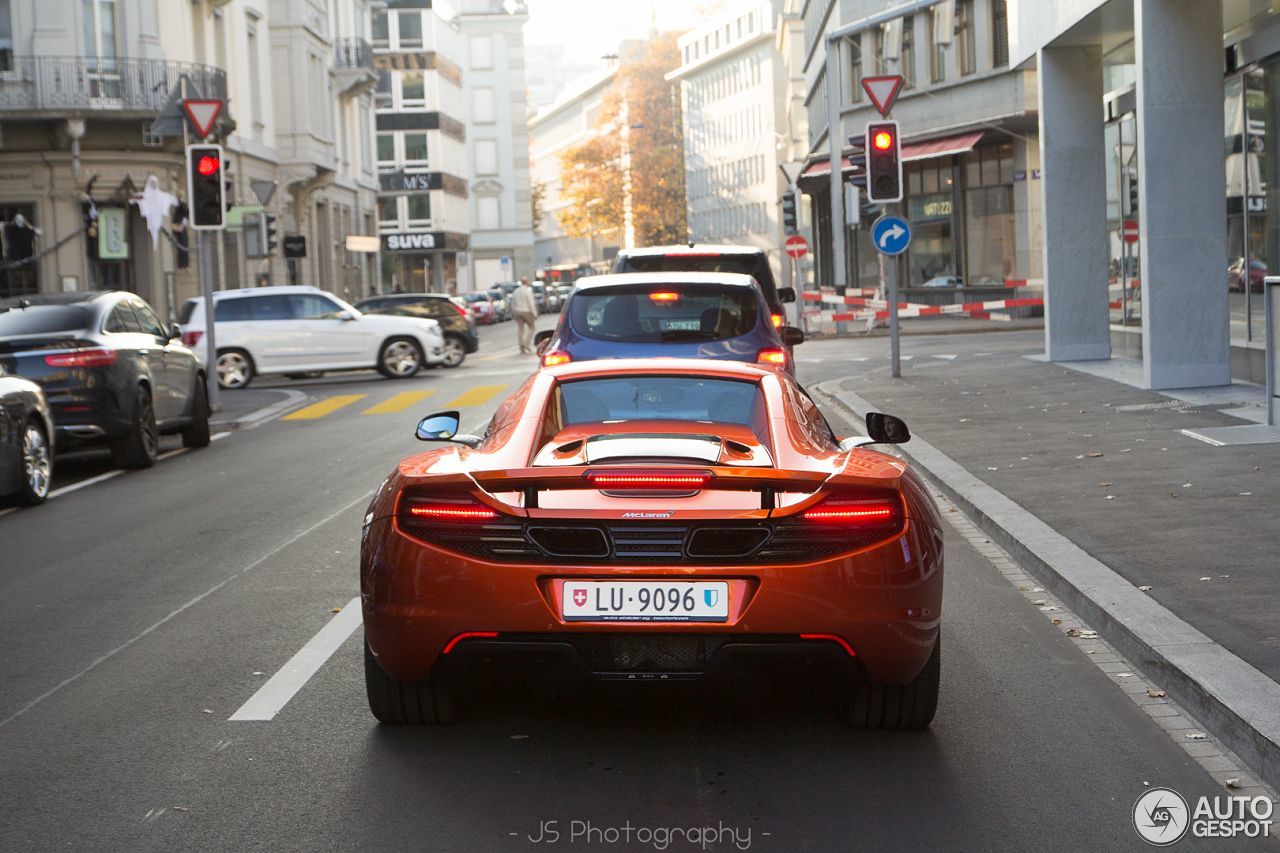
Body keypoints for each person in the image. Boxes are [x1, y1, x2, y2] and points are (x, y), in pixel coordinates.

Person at [511, 277, 539, 353]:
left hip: (517, 312)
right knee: (532, 327)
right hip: (526, 311)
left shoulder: (516, 291)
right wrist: (535, 314)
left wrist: (513, 313)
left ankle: (521, 346)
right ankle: (526, 343)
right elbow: (531, 304)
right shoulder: (527, 291)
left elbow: (513, 303)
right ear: (526, 282)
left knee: (521, 329)